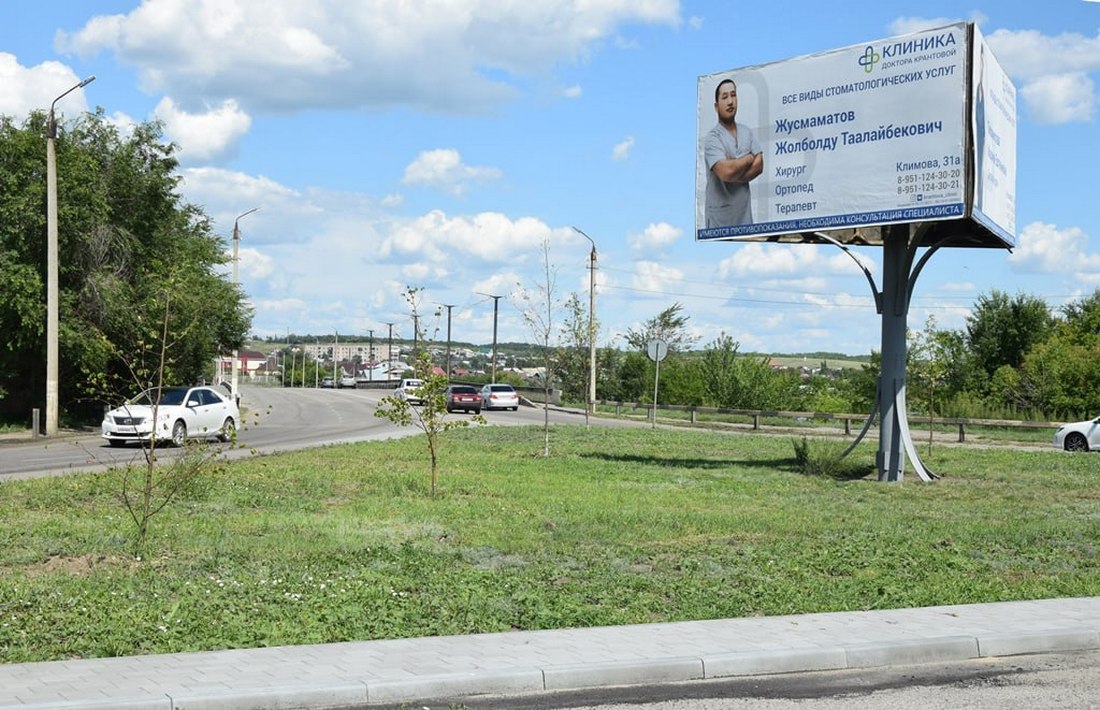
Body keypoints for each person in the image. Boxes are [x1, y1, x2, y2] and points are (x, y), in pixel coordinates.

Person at [704, 78, 764, 227]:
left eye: (733, 95)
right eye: (725, 97)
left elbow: (759, 165)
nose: (730, 101)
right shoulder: (712, 139)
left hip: (744, 220)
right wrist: (749, 158)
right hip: (720, 224)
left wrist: (735, 168)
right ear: (716, 106)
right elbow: (726, 172)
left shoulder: (746, 132)